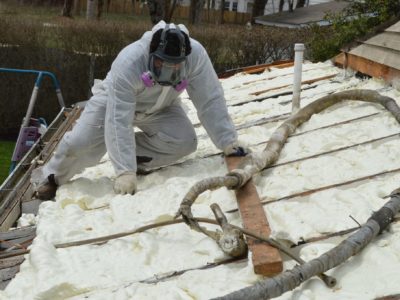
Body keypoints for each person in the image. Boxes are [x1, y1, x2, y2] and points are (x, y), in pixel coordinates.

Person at [31, 21, 246, 200]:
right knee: (81, 144)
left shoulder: (195, 55)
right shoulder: (130, 61)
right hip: (113, 102)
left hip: (162, 105)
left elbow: (210, 98)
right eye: (163, 65)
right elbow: (118, 120)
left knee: (185, 142)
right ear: (152, 55)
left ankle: (134, 159)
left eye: (175, 67)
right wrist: (124, 173)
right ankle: (51, 177)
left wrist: (227, 141)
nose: (169, 73)